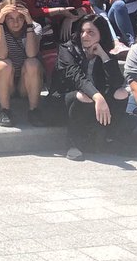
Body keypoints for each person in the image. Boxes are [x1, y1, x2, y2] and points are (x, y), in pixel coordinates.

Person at [56, 16, 133, 161]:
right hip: (66, 99)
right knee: (83, 95)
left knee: (121, 93)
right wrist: (97, 96)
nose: (84, 36)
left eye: (90, 32)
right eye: (82, 31)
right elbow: (77, 78)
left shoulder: (104, 50)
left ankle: (109, 138)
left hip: (94, 101)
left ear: (101, 34)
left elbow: (117, 82)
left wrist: (103, 56)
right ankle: (73, 143)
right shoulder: (67, 49)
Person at [17, 0, 91, 78]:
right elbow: (29, 11)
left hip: (63, 22)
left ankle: (85, 69)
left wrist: (70, 19)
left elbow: (85, 5)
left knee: (89, 23)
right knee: (45, 26)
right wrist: (58, 11)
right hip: (37, 23)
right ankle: (52, 77)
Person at [0, 0, 45, 127]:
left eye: (20, 18)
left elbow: (31, 53)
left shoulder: (34, 27)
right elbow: (2, 54)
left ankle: (34, 110)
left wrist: (29, 24)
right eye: (10, 18)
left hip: (24, 83)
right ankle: (5, 111)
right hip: (3, 82)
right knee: (4, 64)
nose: (16, 23)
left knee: (32, 63)